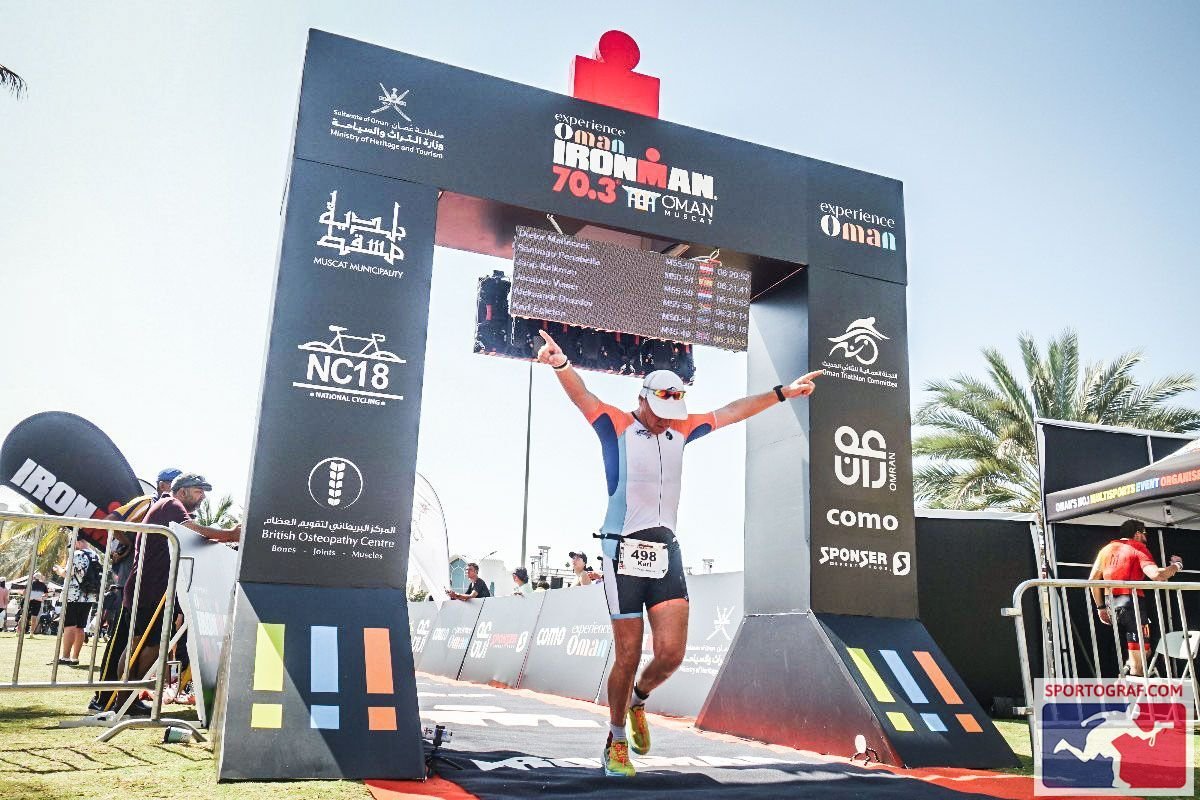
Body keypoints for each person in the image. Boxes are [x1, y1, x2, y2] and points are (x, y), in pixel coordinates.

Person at [537, 329, 821, 777]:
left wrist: (782, 392)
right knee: (627, 655)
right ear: (643, 398)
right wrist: (559, 364)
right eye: (660, 412)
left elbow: (731, 411)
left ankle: (637, 702)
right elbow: (582, 396)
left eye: (674, 413)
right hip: (621, 553)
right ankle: (614, 743)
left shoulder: (681, 429)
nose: (666, 421)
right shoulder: (614, 423)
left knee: (670, 655)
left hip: (665, 550)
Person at [94, 473, 239, 714]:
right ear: (182, 491)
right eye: (198, 490)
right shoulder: (171, 504)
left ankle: (127, 699)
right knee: (143, 645)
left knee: (145, 644)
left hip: (152, 587)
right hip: (149, 588)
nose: (202, 496)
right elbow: (192, 530)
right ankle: (124, 701)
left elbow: (191, 538)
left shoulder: (169, 507)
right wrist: (231, 535)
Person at [1089, 519, 1183, 677]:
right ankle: (1133, 692)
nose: (1146, 537)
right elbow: (1157, 575)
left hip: (1112, 605)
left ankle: (1129, 670)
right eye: (1145, 533)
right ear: (1138, 534)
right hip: (1133, 606)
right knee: (1139, 664)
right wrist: (1177, 566)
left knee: (1144, 652)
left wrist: (1100, 608)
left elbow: (1092, 580)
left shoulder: (1106, 549)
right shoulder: (1138, 547)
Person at [59, 537, 101, 665]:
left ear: (78, 542)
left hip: (73, 594)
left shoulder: (77, 554)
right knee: (81, 627)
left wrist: (58, 570)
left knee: (70, 625)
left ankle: (65, 657)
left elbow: (67, 573)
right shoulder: (96, 555)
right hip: (89, 595)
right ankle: (75, 657)